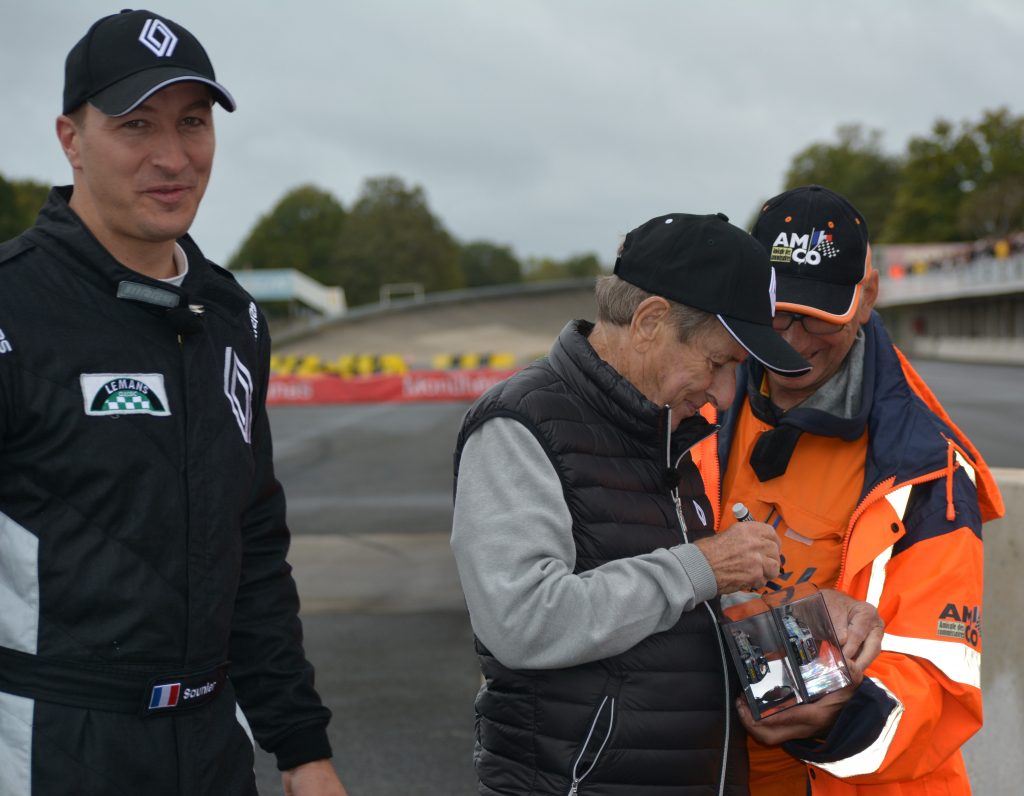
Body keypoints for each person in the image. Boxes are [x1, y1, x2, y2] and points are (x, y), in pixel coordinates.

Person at [0, 10, 347, 795]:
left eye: (193, 123)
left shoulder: (234, 317)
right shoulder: (12, 309)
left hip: (211, 746)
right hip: (51, 745)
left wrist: (300, 747)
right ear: (71, 139)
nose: (172, 157)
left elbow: (252, 545)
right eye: (136, 125)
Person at [451, 211, 884, 795]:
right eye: (719, 362)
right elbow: (522, 620)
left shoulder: (666, 432)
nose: (727, 392)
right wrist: (703, 565)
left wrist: (810, 623)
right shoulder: (519, 425)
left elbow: (684, 619)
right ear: (651, 321)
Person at [693, 185, 1005, 795]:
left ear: (867, 297)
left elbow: (940, 682)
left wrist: (842, 718)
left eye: (819, 316)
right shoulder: (693, 408)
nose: (793, 338)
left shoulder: (928, 471)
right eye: (776, 311)